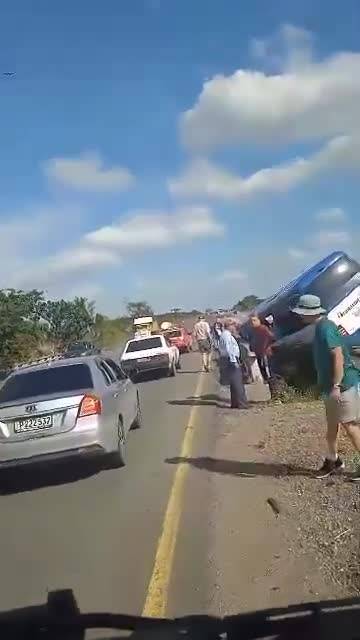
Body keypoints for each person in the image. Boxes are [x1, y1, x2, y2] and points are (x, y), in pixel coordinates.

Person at [292, 294, 360, 480]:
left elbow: (337, 356)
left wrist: (336, 384)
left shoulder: (326, 328)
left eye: (302, 312)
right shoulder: (320, 327)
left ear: (311, 313)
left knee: (350, 425)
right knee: (332, 426)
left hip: (342, 385)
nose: (300, 316)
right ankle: (333, 461)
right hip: (330, 386)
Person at [218, 320, 248, 409]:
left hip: (227, 360)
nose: (235, 328)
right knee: (238, 383)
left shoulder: (225, 334)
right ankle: (242, 404)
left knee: (234, 383)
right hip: (231, 360)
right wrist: (234, 361)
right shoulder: (227, 335)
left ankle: (235, 403)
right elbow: (229, 349)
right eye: (234, 326)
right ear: (230, 326)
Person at [249, 315, 275, 381]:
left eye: (254, 320)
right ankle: (267, 380)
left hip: (265, 352)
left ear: (259, 321)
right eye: (251, 321)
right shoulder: (253, 330)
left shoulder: (263, 328)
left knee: (267, 368)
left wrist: (266, 346)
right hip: (258, 353)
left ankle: (271, 381)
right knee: (262, 367)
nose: (252, 322)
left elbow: (272, 337)